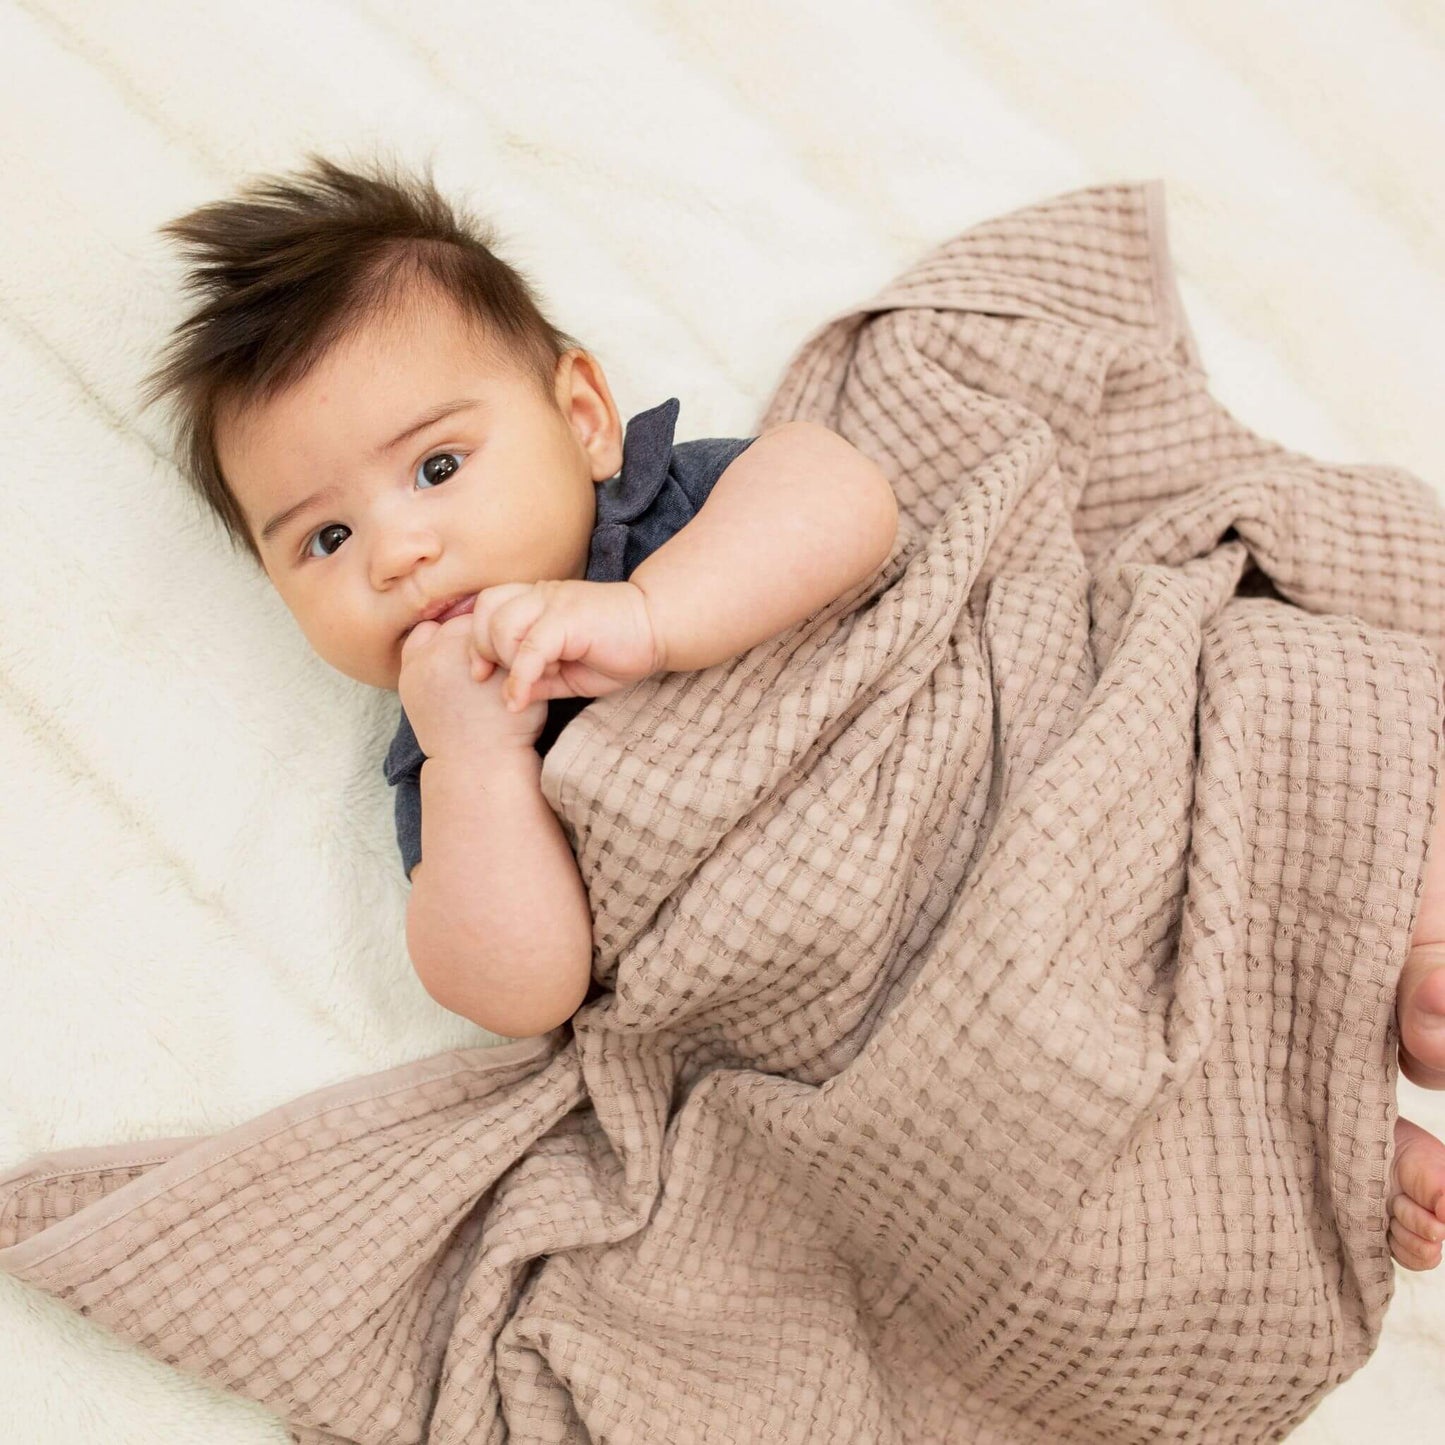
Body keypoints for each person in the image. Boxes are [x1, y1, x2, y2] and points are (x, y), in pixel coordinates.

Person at [138, 152, 1445, 1273]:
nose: (399, 553)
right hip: (882, 977)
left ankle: (1406, 909)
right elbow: (522, 986)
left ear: (582, 418)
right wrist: (479, 762)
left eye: (435, 466)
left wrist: (652, 618)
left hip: (997, 774)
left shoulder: (667, 508)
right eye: (320, 539)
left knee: (1254, 698)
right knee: (979, 1114)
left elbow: (845, 498)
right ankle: (1299, 1143)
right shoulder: (450, 745)